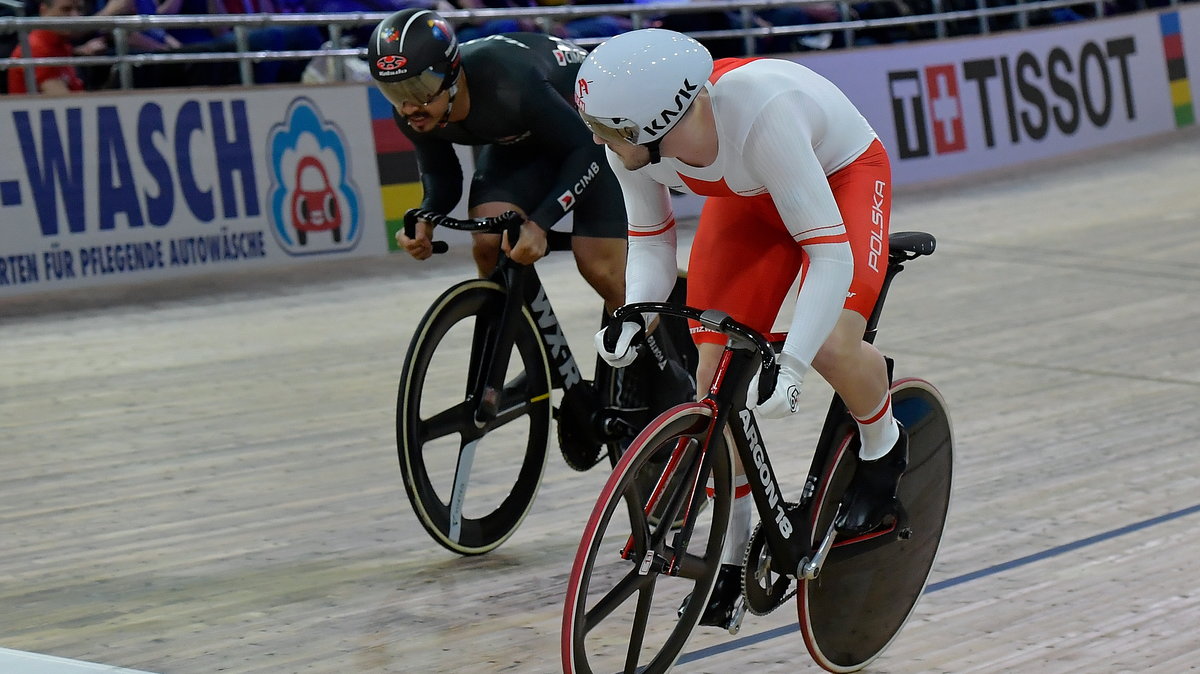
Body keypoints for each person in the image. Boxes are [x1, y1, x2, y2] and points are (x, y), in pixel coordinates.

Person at [577, 28, 908, 628]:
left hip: (841, 179)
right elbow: (650, 244)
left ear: (655, 126)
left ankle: (884, 445)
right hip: (751, 198)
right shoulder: (631, 140)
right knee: (714, 382)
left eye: (607, 131)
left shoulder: (761, 113)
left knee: (834, 344)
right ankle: (730, 562)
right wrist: (635, 316)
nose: (598, 141)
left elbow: (828, 254)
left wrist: (794, 368)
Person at [367, 9, 694, 459]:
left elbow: (587, 152)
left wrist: (540, 222)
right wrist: (426, 215)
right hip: (519, 145)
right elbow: (443, 179)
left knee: (599, 265)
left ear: (451, 74)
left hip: (591, 138)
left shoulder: (508, 81)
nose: (408, 106)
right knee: (490, 244)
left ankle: (672, 378)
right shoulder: (415, 111)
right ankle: (535, 361)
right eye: (394, 92)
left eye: (419, 90)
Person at [6, 0, 88, 94]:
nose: (76, 17)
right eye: (66, 9)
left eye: (80, 9)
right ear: (44, 10)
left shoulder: (63, 44)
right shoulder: (35, 48)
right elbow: (64, 101)